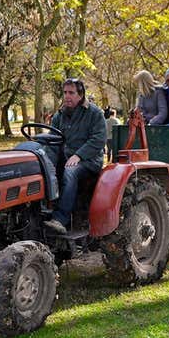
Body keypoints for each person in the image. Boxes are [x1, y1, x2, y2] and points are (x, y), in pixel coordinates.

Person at [43, 78, 106, 234]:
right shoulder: (59, 115)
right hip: (66, 157)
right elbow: (53, 140)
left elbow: (98, 139)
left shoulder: (94, 113)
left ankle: (61, 219)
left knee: (70, 172)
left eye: (71, 93)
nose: (67, 96)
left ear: (80, 95)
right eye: (65, 92)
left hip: (89, 160)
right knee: (42, 167)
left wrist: (79, 155)